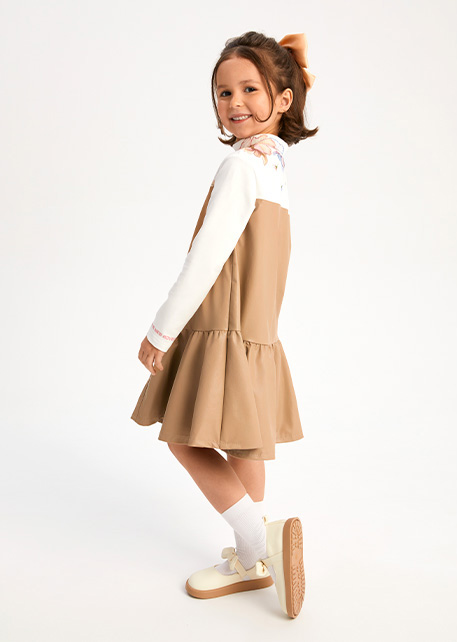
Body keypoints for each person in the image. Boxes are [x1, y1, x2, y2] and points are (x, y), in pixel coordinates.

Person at [131, 31, 318, 618]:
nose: (234, 102)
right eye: (223, 92)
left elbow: (206, 258)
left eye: (249, 89)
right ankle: (251, 560)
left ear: (282, 99)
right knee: (243, 441)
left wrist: (161, 330)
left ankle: (261, 542)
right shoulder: (275, 166)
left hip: (223, 324)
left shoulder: (240, 165)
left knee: (184, 437)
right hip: (258, 329)